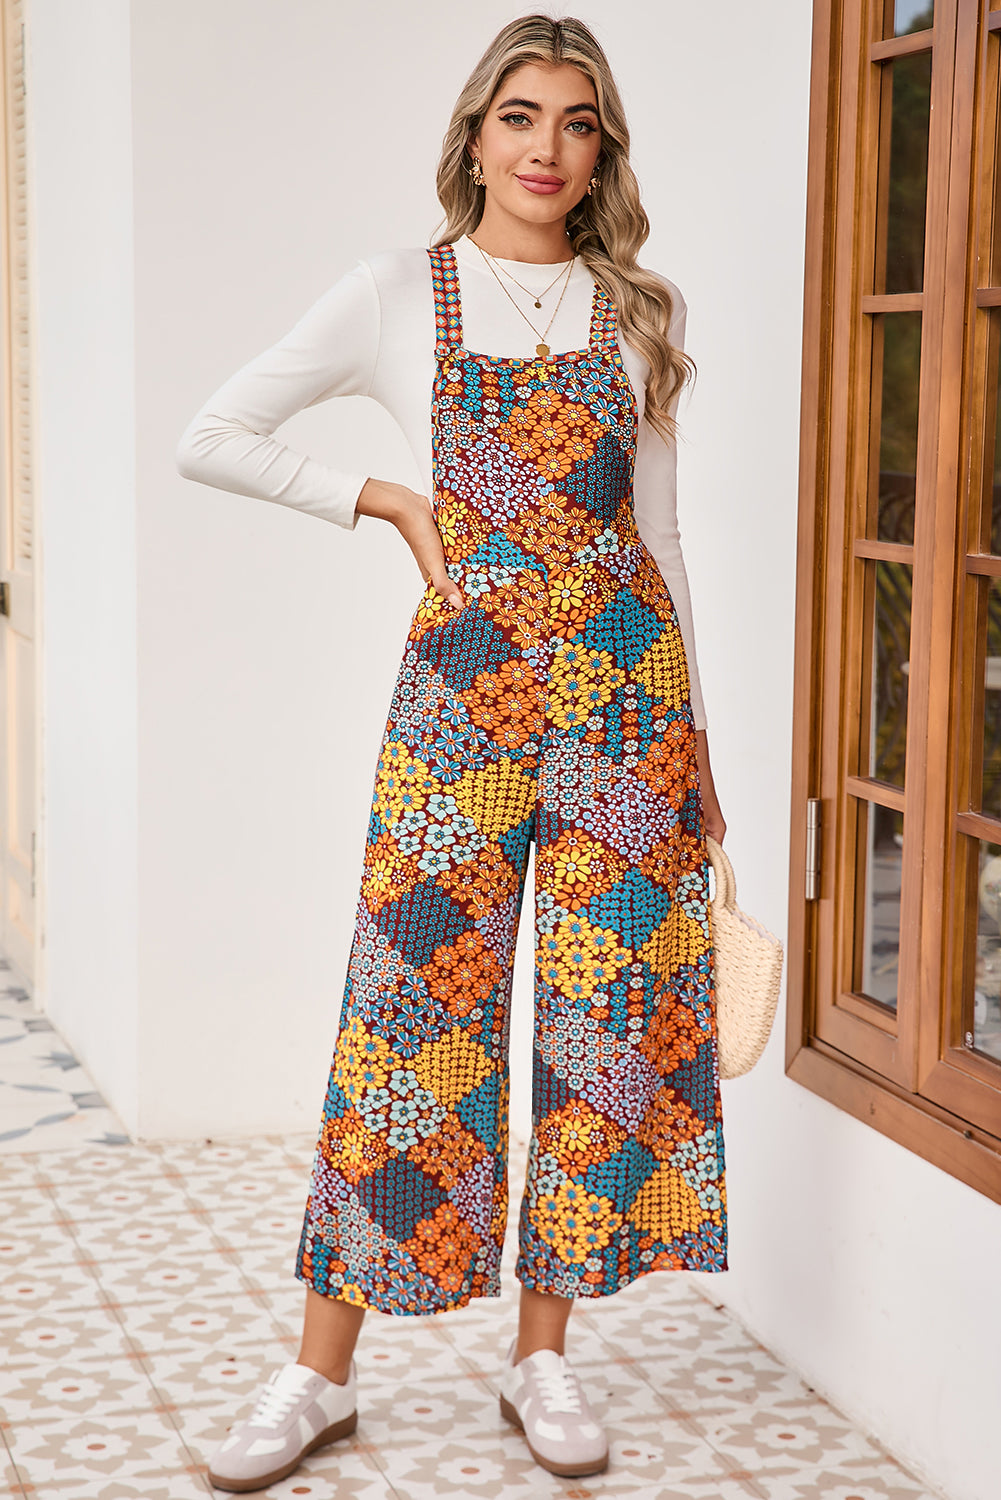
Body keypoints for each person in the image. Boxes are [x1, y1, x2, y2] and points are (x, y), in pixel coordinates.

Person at [176, 13, 728, 1492]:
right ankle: (315, 1380)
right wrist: (384, 501)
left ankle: (541, 1354)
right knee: (408, 1017)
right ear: (473, 135)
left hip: (624, 693)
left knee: (603, 1023)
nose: (546, 149)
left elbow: (656, 536)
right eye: (519, 117)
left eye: (577, 123)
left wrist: (699, 749)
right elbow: (212, 433)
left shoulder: (636, 311)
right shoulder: (394, 294)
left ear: (601, 150)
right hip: (463, 696)